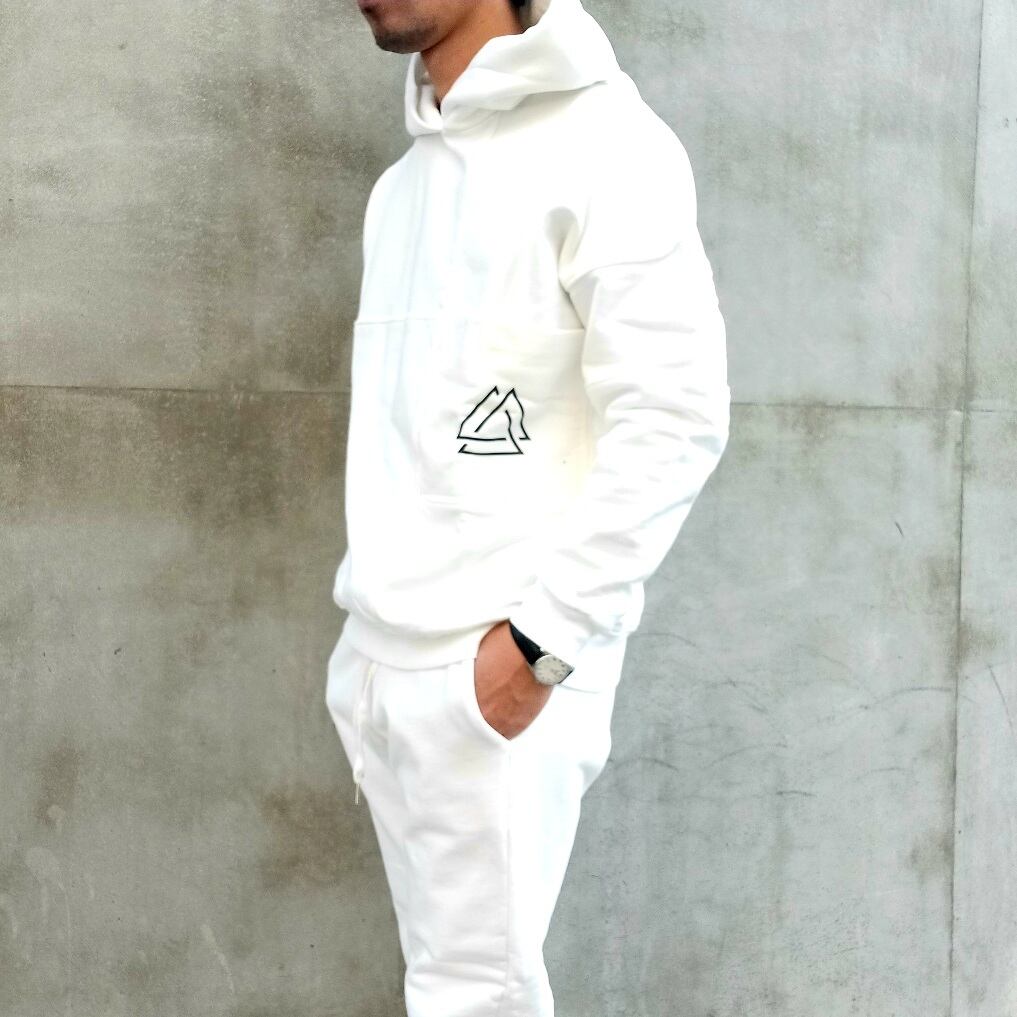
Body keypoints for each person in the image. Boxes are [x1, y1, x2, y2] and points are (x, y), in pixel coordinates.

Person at [325, 0, 731, 1013]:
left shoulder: (608, 145)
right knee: (450, 989)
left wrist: (540, 649)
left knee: (477, 997)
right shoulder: (401, 186)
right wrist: (364, 663)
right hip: (381, 664)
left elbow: (675, 417)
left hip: (497, 676)